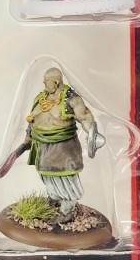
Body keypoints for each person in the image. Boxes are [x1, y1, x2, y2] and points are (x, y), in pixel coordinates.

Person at [23, 67, 102, 215]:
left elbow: (84, 117)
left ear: (56, 82)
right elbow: (32, 119)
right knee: (47, 175)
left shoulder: (70, 99)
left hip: (63, 148)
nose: (43, 83)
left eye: (46, 81)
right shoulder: (41, 98)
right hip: (42, 145)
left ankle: (68, 208)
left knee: (64, 177)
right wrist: (28, 136)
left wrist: (92, 134)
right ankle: (55, 198)